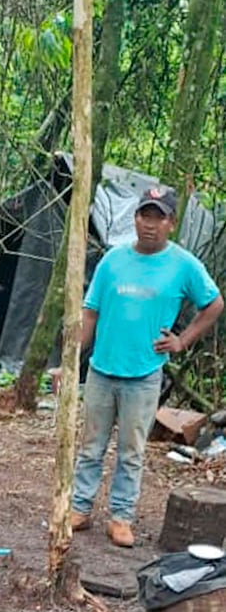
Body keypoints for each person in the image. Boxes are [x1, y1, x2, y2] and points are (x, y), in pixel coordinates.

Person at [58, 186, 223, 548]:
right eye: (144, 215)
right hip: (102, 370)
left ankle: (121, 517)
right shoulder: (113, 261)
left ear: (171, 223)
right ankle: (80, 508)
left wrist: (182, 340)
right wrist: (68, 363)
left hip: (144, 375)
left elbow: (213, 304)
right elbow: (90, 313)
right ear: (134, 219)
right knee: (90, 446)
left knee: (131, 452)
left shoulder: (183, 265)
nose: (149, 224)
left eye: (158, 218)